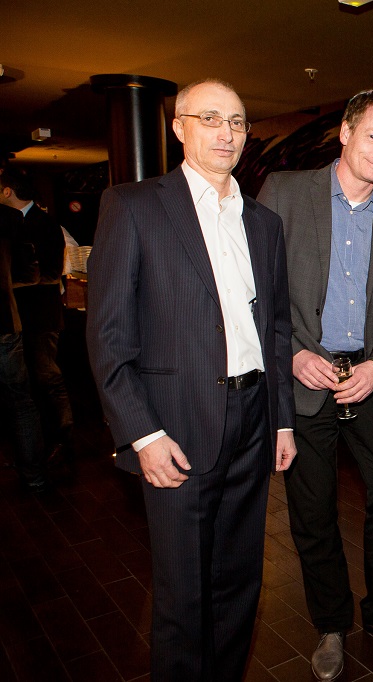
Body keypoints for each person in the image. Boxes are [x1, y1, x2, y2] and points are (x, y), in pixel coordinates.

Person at [86, 79, 297, 681]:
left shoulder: (264, 223)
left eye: (237, 121)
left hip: (254, 421)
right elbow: (107, 336)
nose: (226, 133)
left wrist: (282, 419)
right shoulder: (134, 206)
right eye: (210, 119)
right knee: (182, 595)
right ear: (178, 128)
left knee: (240, 583)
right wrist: (143, 435)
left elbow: (276, 329)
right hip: (175, 425)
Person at [257, 90, 373, 682]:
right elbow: (256, 290)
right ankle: (331, 625)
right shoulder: (284, 193)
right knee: (313, 511)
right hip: (306, 376)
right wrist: (291, 356)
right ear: (345, 132)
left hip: (365, 379)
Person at [0, 166, 73, 462]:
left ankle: (63, 439)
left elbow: (53, 273)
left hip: (41, 317)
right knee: (26, 384)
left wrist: (11, 280)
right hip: (20, 316)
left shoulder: (44, 223)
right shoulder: (12, 222)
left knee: (47, 378)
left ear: (7, 191)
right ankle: (36, 445)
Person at [0, 202, 45, 492]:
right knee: (20, 403)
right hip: (4, 321)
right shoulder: (9, 218)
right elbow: (31, 273)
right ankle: (35, 478)